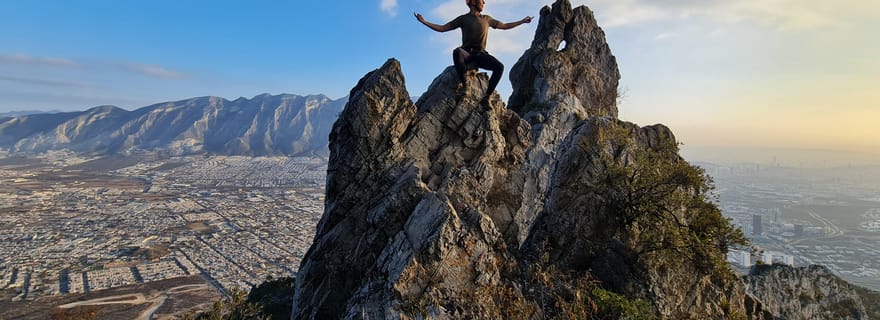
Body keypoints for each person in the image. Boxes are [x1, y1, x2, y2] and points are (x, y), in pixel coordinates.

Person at [415, 0, 532, 105]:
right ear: (474, 2)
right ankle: (466, 86)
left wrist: (522, 21)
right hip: (467, 54)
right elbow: (442, 28)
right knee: (457, 52)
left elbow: (505, 26)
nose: (484, 2)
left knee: (499, 67)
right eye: (482, 1)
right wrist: (424, 22)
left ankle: (486, 98)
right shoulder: (463, 19)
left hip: (480, 55)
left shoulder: (487, 19)